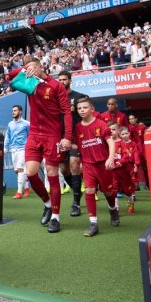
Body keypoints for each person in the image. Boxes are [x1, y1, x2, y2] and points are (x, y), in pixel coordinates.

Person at [9, 56, 73, 234]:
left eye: (32, 68)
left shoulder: (56, 86)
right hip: (34, 135)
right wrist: (23, 70)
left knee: (52, 174)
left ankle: (56, 217)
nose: (29, 71)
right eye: (27, 68)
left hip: (52, 136)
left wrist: (66, 137)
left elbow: (67, 112)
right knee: (30, 173)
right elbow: (10, 77)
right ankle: (47, 204)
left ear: (40, 67)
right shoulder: (30, 83)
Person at [72, 97, 117, 237]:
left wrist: (110, 158)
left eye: (85, 108)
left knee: (108, 193)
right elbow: (77, 145)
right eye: (79, 108)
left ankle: (112, 208)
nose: (82, 110)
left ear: (92, 109)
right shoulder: (77, 127)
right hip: (88, 165)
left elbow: (111, 142)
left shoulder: (101, 124)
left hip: (103, 164)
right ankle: (93, 223)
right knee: (89, 191)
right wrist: (67, 146)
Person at [57, 70, 89, 217]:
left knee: (74, 165)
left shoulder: (78, 97)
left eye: (64, 79)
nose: (62, 82)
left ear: (70, 80)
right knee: (64, 169)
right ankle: (78, 189)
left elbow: (86, 116)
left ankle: (76, 202)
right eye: (60, 79)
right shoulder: (55, 98)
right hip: (59, 138)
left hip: (75, 138)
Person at [5, 105, 30, 199]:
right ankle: (26, 188)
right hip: (13, 150)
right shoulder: (10, 124)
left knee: (20, 169)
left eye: (15, 110)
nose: (13, 112)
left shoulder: (27, 124)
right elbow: (8, 136)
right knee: (17, 171)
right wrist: (5, 148)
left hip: (23, 149)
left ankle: (19, 192)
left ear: (20, 112)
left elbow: (30, 136)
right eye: (12, 111)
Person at [111, 125, 138, 214]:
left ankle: (131, 202)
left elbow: (127, 155)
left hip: (123, 170)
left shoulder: (122, 143)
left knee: (128, 190)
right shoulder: (108, 143)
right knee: (113, 190)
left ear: (117, 132)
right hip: (113, 171)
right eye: (110, 130)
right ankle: (116, 209)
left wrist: (121, 162)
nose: (111, 131)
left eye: (113, 129)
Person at [127, 114, 149, 189]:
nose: (131, 120)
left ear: (136, 119)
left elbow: (147, 136)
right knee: (133, 167)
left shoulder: (142, 127)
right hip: (133, 149)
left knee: (145, 167)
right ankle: (136, 184)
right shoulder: (128, 129)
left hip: (142, 149)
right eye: (130, 119)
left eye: (133, 118)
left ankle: (148, 184)